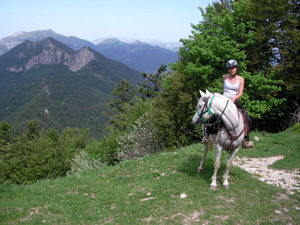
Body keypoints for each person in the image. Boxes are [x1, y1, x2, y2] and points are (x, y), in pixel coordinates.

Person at [202, 59, 253, 149]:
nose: (231, 70)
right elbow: (224, 90)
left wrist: (233, 99)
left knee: (246, 117)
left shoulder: (241, 79)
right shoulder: (224, 77)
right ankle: (206, 136)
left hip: (234, 101)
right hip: (224, 101)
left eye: (233, 68)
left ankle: (246, 139)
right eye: (229, 68)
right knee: (212, 116)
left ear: (237, 68)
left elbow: (240, 93)